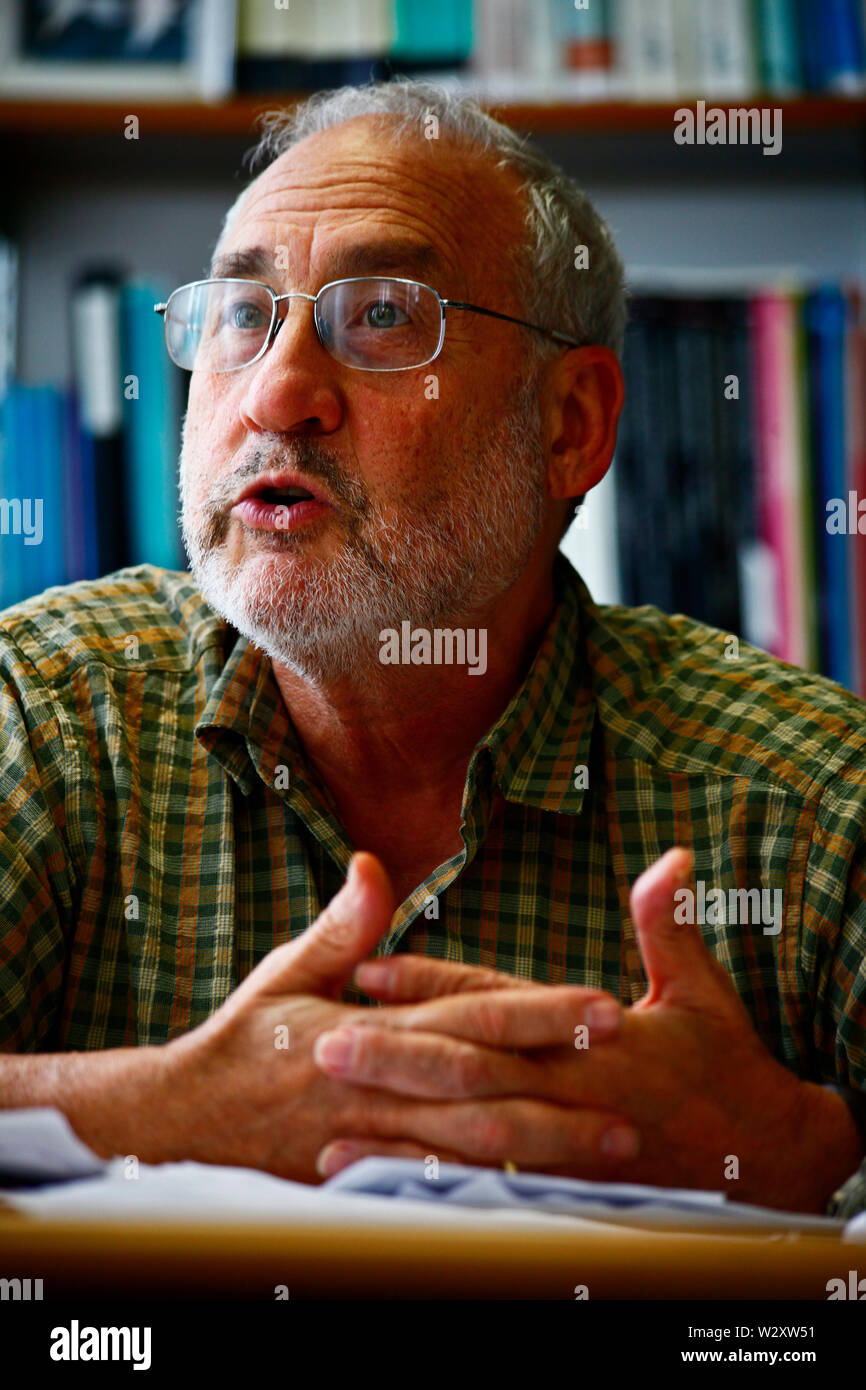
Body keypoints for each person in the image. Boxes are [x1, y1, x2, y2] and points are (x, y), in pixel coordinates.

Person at [1, 80, 864, 1218]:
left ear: (568, 426)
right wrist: (166, 1110)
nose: (278, 392)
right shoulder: (53, 718)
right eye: (242, 315)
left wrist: (806, 1155)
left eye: (382, 316)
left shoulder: (804, 801)